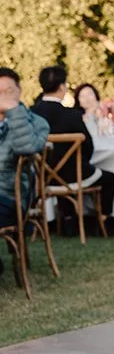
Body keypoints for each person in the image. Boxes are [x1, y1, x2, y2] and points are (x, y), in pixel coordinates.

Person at [33, 64, 114, 225]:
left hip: (41, 176)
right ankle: (105, 220)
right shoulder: (72, 116)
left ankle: (68, 219)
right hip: (74, 176)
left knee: (62, 172)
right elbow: (88, 149)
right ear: (62, 87)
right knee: (109, 178)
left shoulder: (31, 114)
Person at [0, 67, 50, 234]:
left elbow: (26, 148)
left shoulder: (37, 122)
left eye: (8, 91)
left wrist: (14, 112)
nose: (3, 96)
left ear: (19, 91)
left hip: (11, 197)